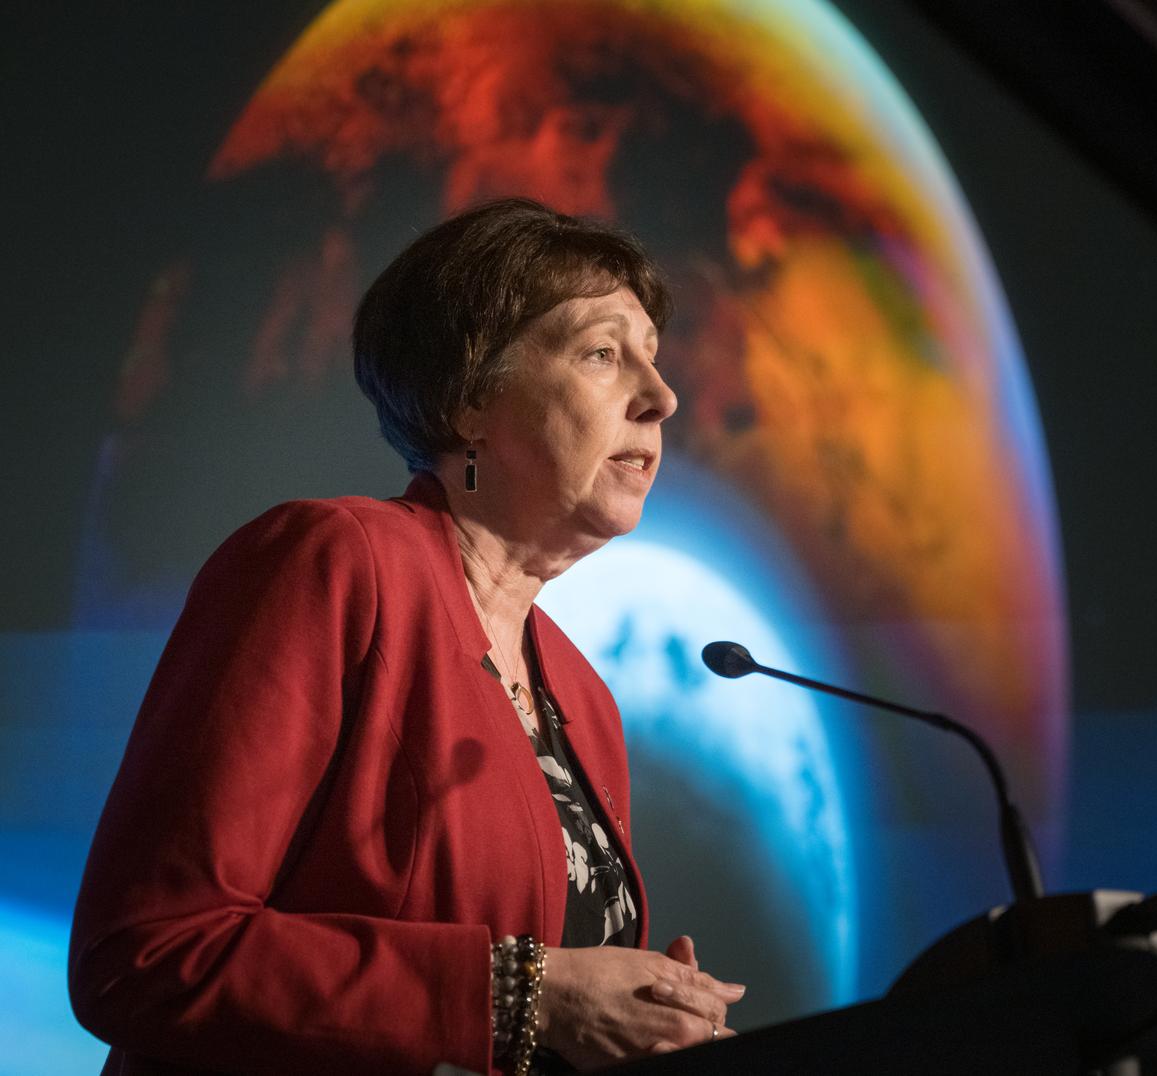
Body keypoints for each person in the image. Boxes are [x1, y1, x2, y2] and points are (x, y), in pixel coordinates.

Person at [69, 198, 746, 1075]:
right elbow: (146, 950)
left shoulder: (584, 697)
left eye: (654, 358)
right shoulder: (335, 562)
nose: (662, 397)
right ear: (471, 398)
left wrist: (645, 1017)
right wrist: (519, 994)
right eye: (604, 354)